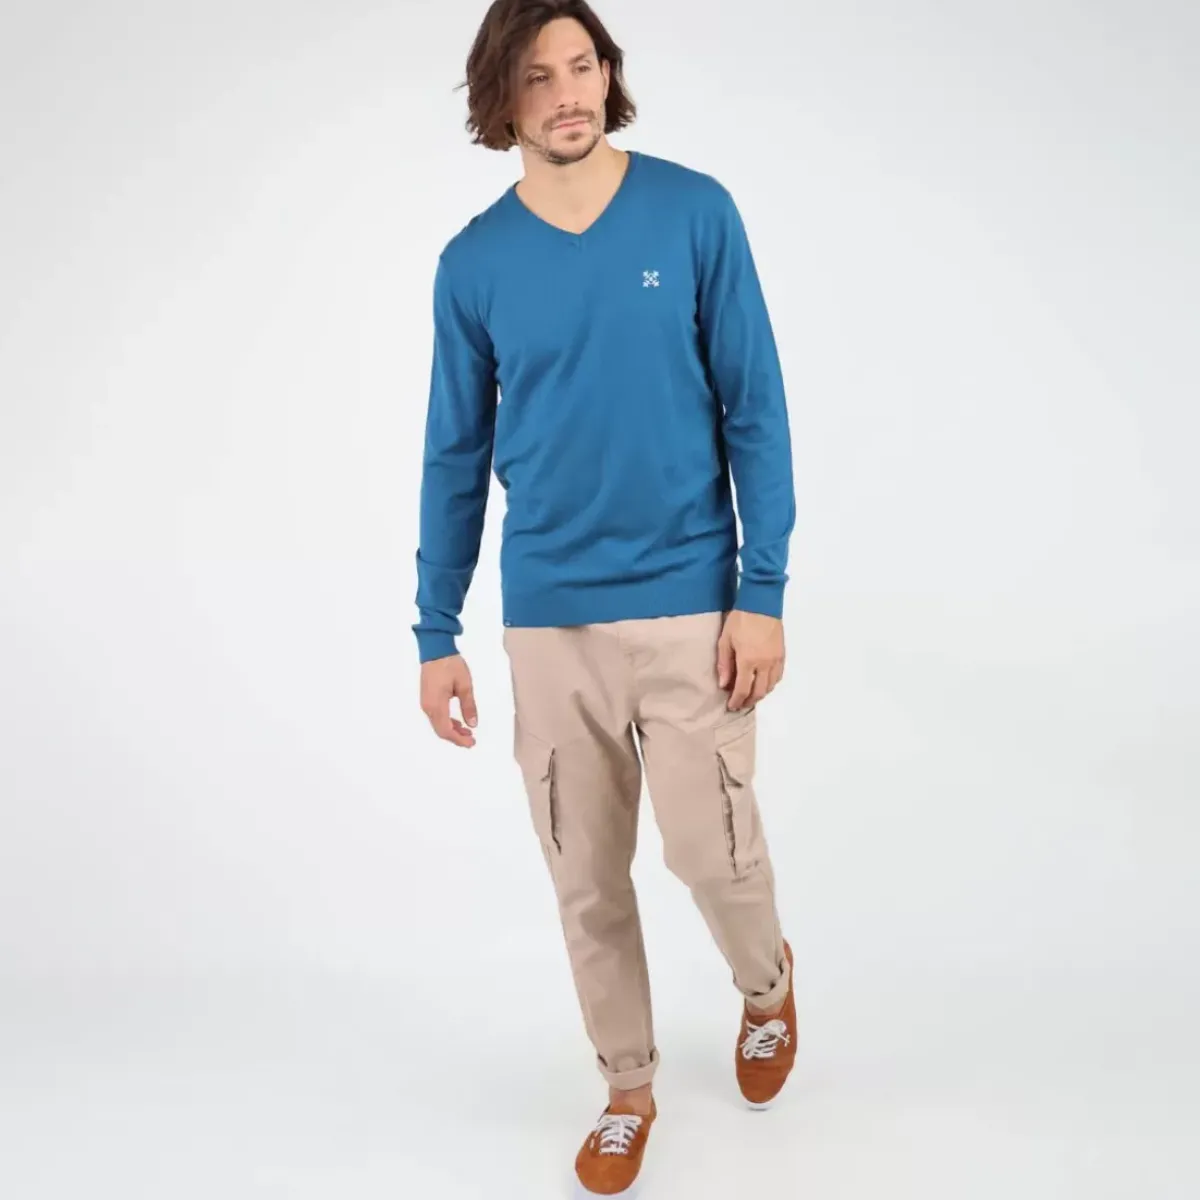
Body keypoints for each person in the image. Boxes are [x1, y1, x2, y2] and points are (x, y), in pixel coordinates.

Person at [413, 1, 798, 1192]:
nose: (568, 93)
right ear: (501, 98)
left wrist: (763, 589)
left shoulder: (694, 212)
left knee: (710, 852)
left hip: (693, 604)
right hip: (549, 622)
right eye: (538, 77)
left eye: (582, 66)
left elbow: (755, 405)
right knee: (585, 879)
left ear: (607, 74)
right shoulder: (474, 263)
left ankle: (767, 987)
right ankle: (627, 1084)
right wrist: (436, 631)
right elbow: (453, 455)